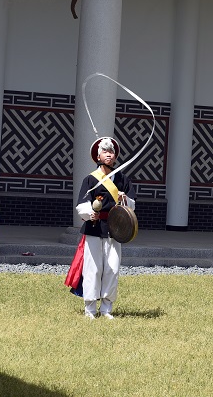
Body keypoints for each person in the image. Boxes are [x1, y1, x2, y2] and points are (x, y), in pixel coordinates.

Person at [68, 137, 136, 320]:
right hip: (94, 228)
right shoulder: (90, 179)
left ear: (115, 157)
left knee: (112, 268)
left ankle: (106, 308)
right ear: (98, 156)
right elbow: (81, 204)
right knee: (93, 269)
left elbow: (132, 205)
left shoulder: (122, 179)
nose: (108, 154)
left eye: (111, 152)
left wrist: (124, 199)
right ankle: (90, 308)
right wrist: (90, 213)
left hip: (115, 230)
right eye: (105, 151)